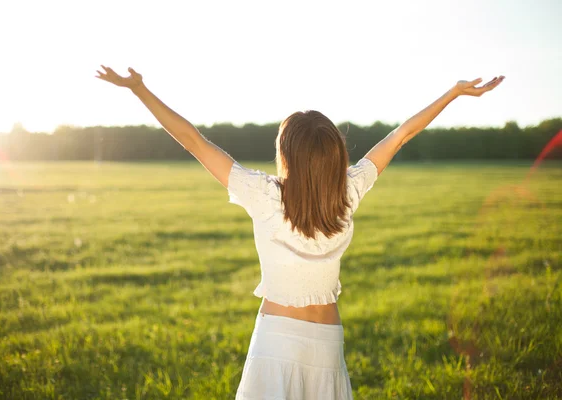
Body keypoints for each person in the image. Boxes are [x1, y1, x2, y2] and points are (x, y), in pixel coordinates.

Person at [95, 66, 504, 399]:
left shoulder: (262, 194)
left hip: (275, 342)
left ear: (285, 154)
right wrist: (452, 94)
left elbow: (192, 140)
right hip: (327, 346)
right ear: (334, 156)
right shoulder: (348, 191)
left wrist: (140, 90)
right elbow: (401, 135)